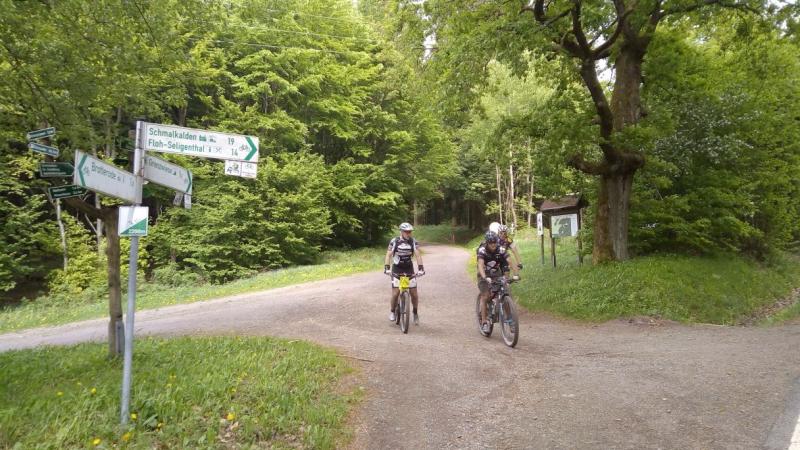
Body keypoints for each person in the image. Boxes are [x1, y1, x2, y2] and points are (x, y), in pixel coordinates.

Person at [384, 222, 425, 325]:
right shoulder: (394, 241)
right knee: (395, 293)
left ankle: (415, 313)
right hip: (397, 269)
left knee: (414, 294)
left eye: (410, 232)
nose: (408, 233)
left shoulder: (413, 241)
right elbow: (388, 255)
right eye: (406, 232)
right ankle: (392, 311)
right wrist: (387, 268)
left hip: (409, 269)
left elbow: (418, 255)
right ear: (401, 232)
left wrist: (421, 268)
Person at [476, 231, 510, 334]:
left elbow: (509, 261)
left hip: (496, 273)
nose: (493, 244)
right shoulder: (482, 250)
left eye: (495, 242)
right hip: (483, 274)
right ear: (487, 243)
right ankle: (484, 322)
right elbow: (480, 265)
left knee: (505, 292)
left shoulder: (500, 249)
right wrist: (485, 277)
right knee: (485, 296)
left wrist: (514, 275)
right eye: (491, 243)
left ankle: (510, 319)